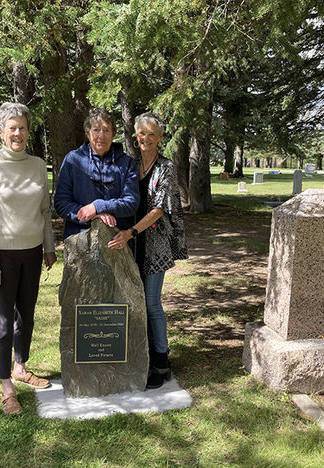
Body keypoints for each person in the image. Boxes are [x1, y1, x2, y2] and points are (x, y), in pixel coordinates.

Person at [0, 102, 57, 415]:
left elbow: (44, 210)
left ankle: (20, 367)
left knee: (27, 313)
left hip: (33, 251)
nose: (18, 133)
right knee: (3, 320)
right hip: (3, 256)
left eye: (22, 127)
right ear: (0, 132)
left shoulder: (38, 165)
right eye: (12, 128)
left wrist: (48, 245)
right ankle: (6, 388)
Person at [108, 112, 188, 389]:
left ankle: (162, 360)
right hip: (131, 243)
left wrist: (131, 231)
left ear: (160, 138)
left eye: (151, 134)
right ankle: (141, 355)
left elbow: (158, 210)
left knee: (152, 303)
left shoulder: (165, 167)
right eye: (141, 133)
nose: (145, 139)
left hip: (154, 243)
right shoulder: (130, 165)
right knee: (134, 300)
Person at [54, 108, 140, 238]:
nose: (101, 136)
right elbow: (61, 203)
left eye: (106, 130)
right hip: (79, 240)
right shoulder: (72, 160)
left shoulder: (127, 163)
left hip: (117, 240)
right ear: (88, 133)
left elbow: (131, 203)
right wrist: (93, 216)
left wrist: (98, 206)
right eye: (96, 130)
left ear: (113, 134)